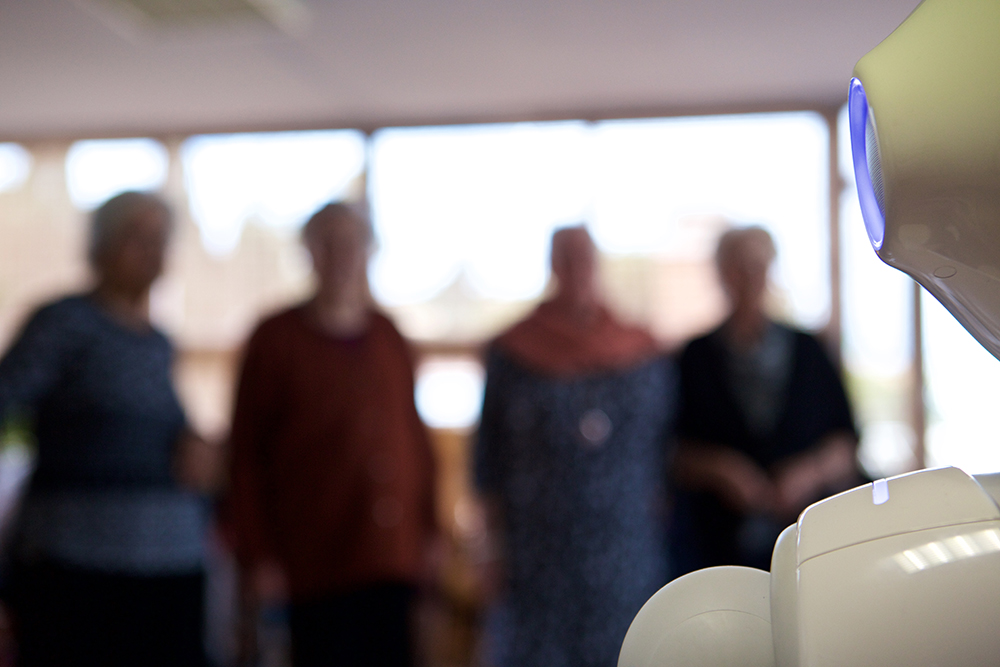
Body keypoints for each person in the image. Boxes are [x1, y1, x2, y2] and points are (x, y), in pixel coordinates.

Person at [0, 191, 214, 667]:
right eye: (136, 237)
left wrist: (197, 449)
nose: (151, 251)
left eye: (159, 239)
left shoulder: (159, 343)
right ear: (99, 246)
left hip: (168, 563)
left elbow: (172, 430)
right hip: (78, 564)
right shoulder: (63, 322)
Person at [225, 202, 438, 667]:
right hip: (314, 564)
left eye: (352, 244)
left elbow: (414, 441)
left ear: (368, 253)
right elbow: (245, 456)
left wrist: (429, 532)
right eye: (329, 244)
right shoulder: (275, 339)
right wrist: (258, 555)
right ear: (310, 253)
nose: (342, 256)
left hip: (391, 560)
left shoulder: (388, 337)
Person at [473, 225, 674, 667]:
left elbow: (667, 446)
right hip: (536, 554)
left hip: (625, 549)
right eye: (566, 258)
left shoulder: (642, 350)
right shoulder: (514, 351)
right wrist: (488, 548)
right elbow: (486, 461)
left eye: (584, 257)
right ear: (552, 266)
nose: (577, 269)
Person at [670, 226, 861, 574]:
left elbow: (846, 445)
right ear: (720, 274)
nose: (747, 277)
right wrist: (722, 470)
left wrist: (809, 473)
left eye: (756, 266)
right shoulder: (694, 358)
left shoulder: (810, 350)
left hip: (812, 547)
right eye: (737, 267)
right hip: (721, 552)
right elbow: (674, 453)